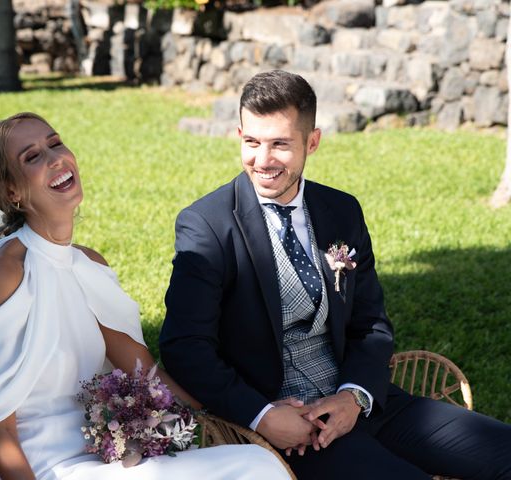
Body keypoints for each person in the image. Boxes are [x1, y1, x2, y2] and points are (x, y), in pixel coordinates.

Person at [159, 70, 511, 479]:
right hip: (289, 430)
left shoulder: (341, 210)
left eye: (280, 144)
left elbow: (371, 325)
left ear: (312, 141)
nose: (262, 160)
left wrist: (353, 396)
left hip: (364, 404)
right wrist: (263, 416)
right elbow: (184, 345)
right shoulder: (207, 225)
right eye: (251, 141)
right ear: (239, 134)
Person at [0, 112, 291, 480]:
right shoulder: (4, 272)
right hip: (46, 466)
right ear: (11, 192)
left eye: (55, 143)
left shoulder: (89, 265)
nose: (55, 158)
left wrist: (254, 412)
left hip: (111, 458)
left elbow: (145, 373)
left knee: (259, 464)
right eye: (32, 157)